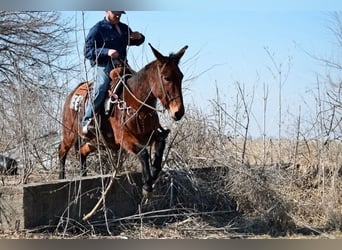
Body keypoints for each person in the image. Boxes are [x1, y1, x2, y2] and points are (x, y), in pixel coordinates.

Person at [82, 11, 145, 135]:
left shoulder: (124, 28)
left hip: (122, 64)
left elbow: (132, 41)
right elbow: (87, 51)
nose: (118, 16)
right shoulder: (98, 29)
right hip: (104, 64)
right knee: (101, 87)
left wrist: (140, 37)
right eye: (115, 13)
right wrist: (107, 51)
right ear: (107, 10)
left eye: (120, 13)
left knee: (139, 84)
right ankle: (87, 120)